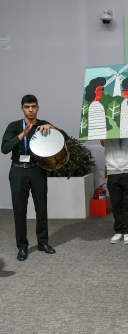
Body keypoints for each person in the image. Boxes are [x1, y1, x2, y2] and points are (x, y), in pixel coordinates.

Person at [2, 94, 60, 261]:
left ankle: (43, 242)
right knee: (19, 210)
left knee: (41, 208)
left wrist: (53, 128)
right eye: (27, 107)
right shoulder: (14, 126)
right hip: (18, 171)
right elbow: (4, 148)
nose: (30, 110)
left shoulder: (43, 125)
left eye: (33, 106)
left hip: (37, 170)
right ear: (22, 109)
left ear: (38, 108)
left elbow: (63, 137)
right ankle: (22, 247)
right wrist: (22, 134)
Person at [104, 137, 128, 244]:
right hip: (112, 169)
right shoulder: (107, 128)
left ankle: (127, 230)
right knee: (116, 203)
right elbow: (101, 141)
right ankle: (118, 230)